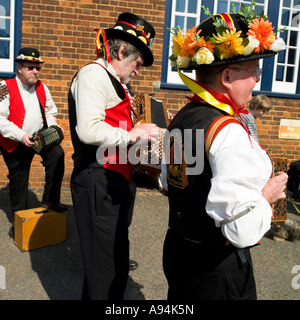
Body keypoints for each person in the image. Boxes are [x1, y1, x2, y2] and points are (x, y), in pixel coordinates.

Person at [162, 8, 288, 300]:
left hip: (180, 251)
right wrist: (267, 195)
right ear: (227, 76)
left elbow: (171, 184)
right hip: (215, 268)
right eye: (254, 71)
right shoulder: (227, 131)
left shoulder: (184, 115)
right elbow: (240, 230)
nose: (257, 80)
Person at [68, 12, 156, 299]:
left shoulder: (115, 81)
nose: (138, 71)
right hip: (98, 178)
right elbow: (89, 130)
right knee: (103, 269)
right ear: (121, 51)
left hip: (114, 178)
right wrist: (133, 135)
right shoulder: (93, 74)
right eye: (137, 63)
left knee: (113, 260)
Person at [0, 48, 66, 236]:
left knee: (58, 155)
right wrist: (20, 135)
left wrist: (53, 127)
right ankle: (19, 219)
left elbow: (50, 111)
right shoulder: (5, 86)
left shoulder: (42, 87)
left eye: (37, 68)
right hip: (15, 140)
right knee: (19, 178)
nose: (36, 71)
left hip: (40, 137)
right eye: (31, 68)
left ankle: (51, 199)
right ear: (19, 68)